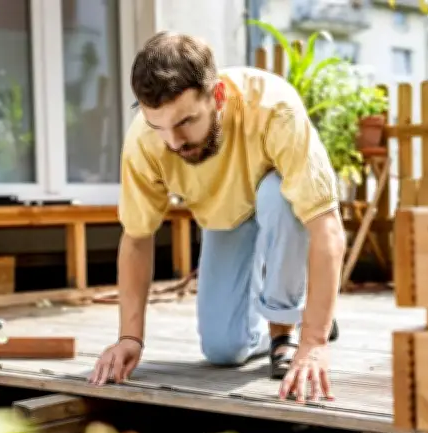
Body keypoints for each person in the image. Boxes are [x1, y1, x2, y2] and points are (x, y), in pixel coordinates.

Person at [87, 32, 346, 404]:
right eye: (159, 127)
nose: (174, 142)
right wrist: (130, 337)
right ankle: (298, 314)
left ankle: (286, 330)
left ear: (218, 97)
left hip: (279, 203)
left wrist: (315, 342)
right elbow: (137, 237)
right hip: (225, 219)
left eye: (186, 122)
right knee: (223, 350)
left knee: (279, 195)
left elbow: (326, 226)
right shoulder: (146, 141)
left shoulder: (274, 108)